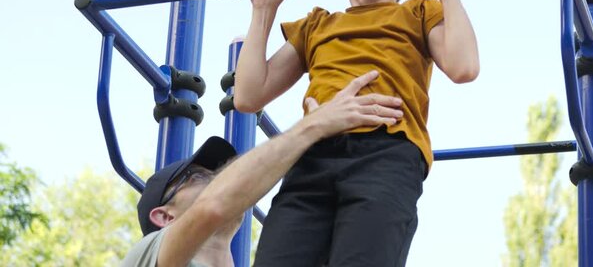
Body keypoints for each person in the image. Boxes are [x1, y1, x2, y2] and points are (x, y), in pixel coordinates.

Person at [234, 0, 480, 265]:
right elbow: (248, 95)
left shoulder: (418, 12)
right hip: (312, 152)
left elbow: (464, 67)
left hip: (386, 151)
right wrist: (263, 9)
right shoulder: (316, 25)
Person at [121, 71, 405, 267]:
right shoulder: (146, 256)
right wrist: (316, 125)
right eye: (198, 177)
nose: (215, 179)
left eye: (217, 176)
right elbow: (212, 207)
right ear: (164, 216)